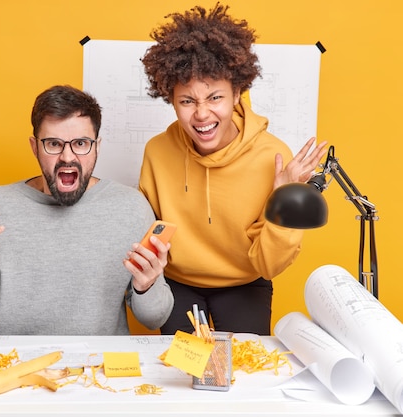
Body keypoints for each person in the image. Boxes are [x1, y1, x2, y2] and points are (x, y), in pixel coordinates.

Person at [138, 3, 327, 335]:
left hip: (244, 282)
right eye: (187, 101)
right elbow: (152, 230)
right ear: (172, 100)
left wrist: (285, 197)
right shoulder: (157, 151)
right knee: (182, 374)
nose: (201, 114)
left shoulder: (273, 157)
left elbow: (268, 264)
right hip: (177, 283)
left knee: (245, 372)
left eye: (215, 98)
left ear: (237, 94)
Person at [0, 85, 174, 335]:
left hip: (99, 369)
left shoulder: (131, 207)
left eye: (80, 143)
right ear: (35, 147)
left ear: (97, 146)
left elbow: (155, 319)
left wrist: (147, 285)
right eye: (53, 143)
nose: (67, 157)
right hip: (18, 366)